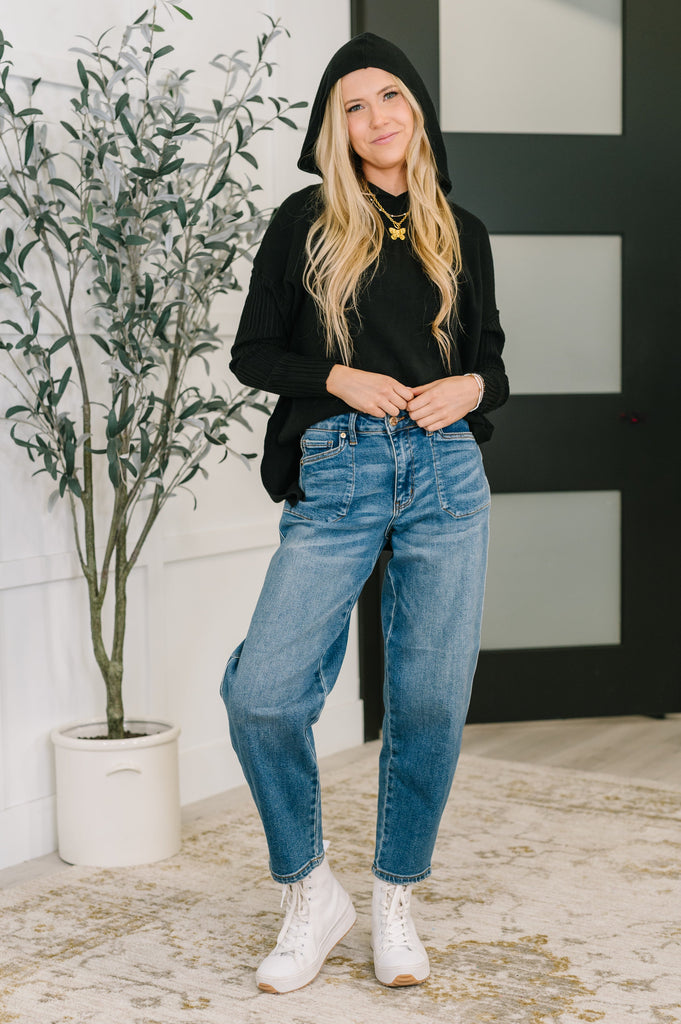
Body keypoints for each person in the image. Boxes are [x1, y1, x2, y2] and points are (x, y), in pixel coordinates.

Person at [220, 32, 508, 994]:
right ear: (333, 127)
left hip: (444, 472)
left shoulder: (460, 231)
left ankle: (394, 895)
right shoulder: (303, 221)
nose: (376, 117)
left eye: (390, 97)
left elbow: (490, 361)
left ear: (415, 111)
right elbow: (253, 353)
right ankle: (311, 890)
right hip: (338, 470)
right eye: (353, 104)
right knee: (263, 694)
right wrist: (337, 376)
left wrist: (471, 388)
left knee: (427, 701)